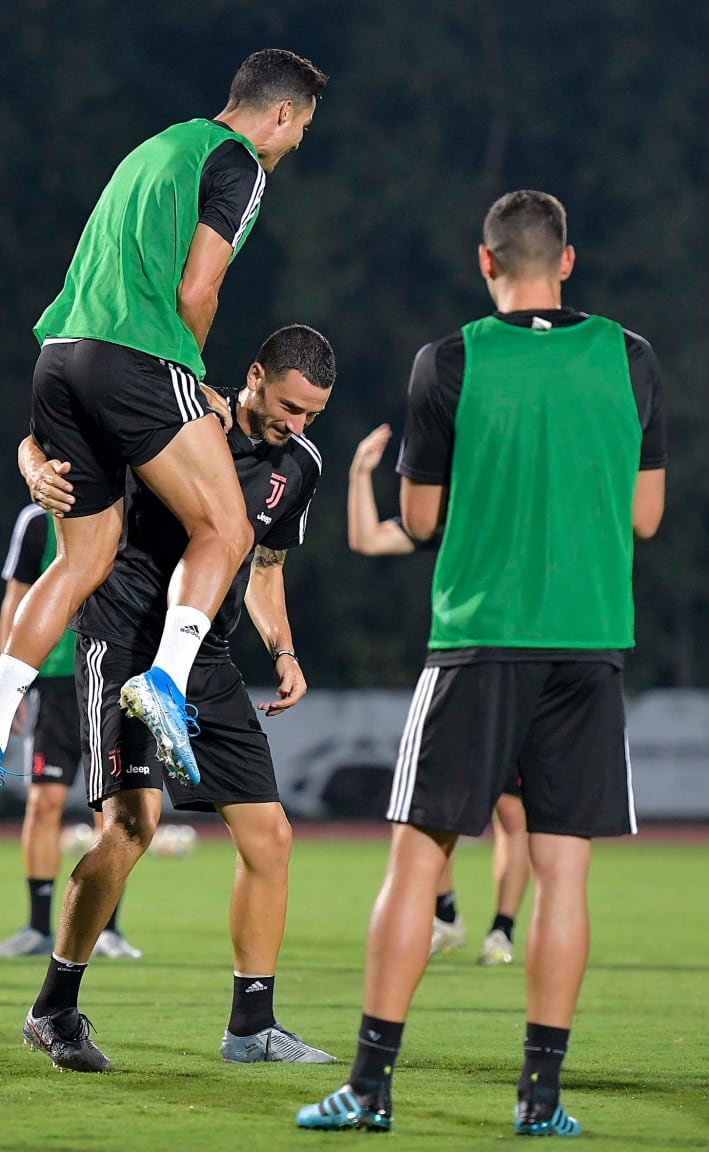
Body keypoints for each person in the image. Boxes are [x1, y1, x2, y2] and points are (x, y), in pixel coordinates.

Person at [297, 189, 666, 1135]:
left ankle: (370, 1089)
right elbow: (646, 515)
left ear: (486, 262)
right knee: (563, 874)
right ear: (568, 261)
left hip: (477, 642)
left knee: (418, 860)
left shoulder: (450, 359)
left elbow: (418, 523)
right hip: (589, 645)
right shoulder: (630, 357)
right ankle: (540, 1102)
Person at [0, 48, 328, 788]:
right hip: (134, 355)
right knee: (229, 527)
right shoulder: (239, 163)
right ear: (281, 112)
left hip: (59, 352)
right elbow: (197, 288)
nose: (298, 142)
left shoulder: (155, 148)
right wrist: (190, 375)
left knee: (80, 560)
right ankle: (166, 684)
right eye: (303, 127)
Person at [20, 324, 338, 1073]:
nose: (297, 425)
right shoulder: (176, 413)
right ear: (253, 375)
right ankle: (54, 1008)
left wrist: (284, 648)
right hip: (123, 639)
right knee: (132, 827)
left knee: (271, 836)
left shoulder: (301, 465)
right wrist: (35, 471)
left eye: (313, 415)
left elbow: (264, 565)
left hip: (211, 661)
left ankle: (252, 1027)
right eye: (289, 406)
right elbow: (50, 431)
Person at [347, 423, 528, 966]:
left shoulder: (516, 510)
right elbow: (367, 539)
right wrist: (359, 473)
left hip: (521, 673)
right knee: (429, 810)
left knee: (512, 816)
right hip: (464, 669)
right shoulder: (447, 515)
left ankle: (502, 931)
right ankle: (447, 915)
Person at [0, 506, 140, 960]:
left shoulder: (131, 508)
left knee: (115, 809)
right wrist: (12, 682)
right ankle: (40, 927)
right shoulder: (38, 521)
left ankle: (107, 930)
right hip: (57, 682)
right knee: (44, 801)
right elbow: (16, 600)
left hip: (115, 674)